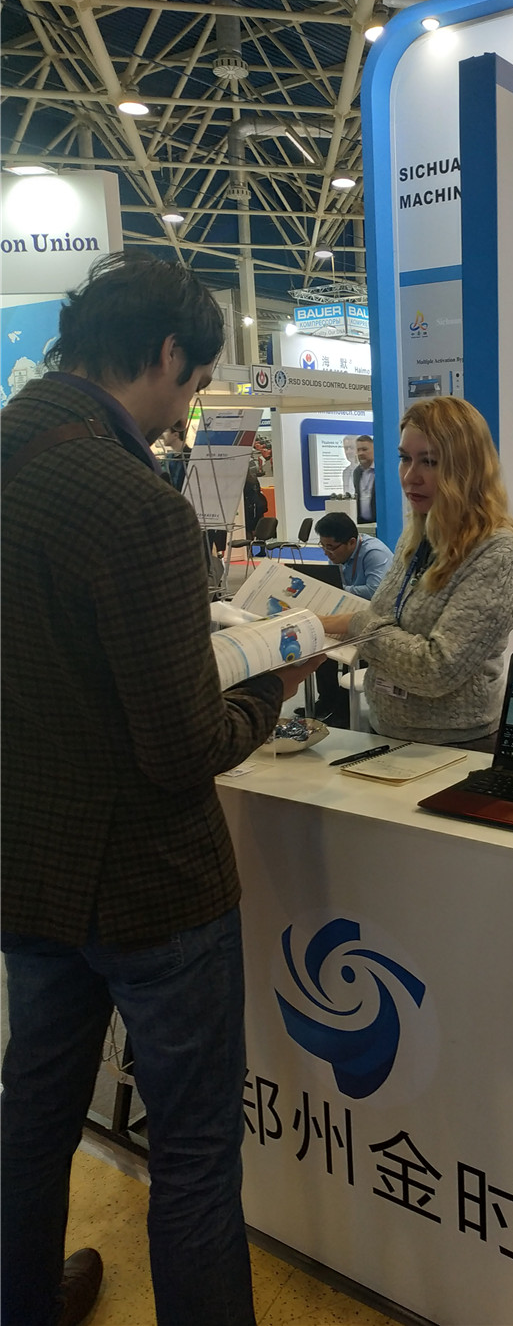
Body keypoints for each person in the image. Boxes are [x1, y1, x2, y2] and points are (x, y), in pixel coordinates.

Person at [0, 252, 321, 1326]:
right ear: (169, 352)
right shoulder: (134, 504)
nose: (189, 408)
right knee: (193, 1150)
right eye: (195, 384)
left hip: (26, 865)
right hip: (152, 888)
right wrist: (270, 685)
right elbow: (182, 746)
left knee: (33, 1114)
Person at [318, 397, 513, 750]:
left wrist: (359, 628)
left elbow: (436, 669)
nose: (410, 476)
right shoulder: (417, 534)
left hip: (454, 747)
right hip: (386, 729)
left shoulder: (496, 552)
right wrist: (317, 623)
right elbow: (383, 616)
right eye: (405, 458)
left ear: (467, 469)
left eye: (429, 461)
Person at [309, 511, 394, 724]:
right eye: (323, 546)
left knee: (351, 649)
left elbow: (375, 591)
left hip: (377, 618)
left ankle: (343, 709)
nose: (327, 553)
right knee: (323, 642)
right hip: (350, 611)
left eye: (331, 547)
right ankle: (326, 700)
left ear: (352, 542)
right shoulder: (338, 553)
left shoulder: (374, 553)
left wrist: (339, 589)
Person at [352, 432, 375, 523]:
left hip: (380, 523)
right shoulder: (357, 472)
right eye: (358, 450)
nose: (360, 453)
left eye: (364, 449)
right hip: (362, 523)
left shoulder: (382, 471)